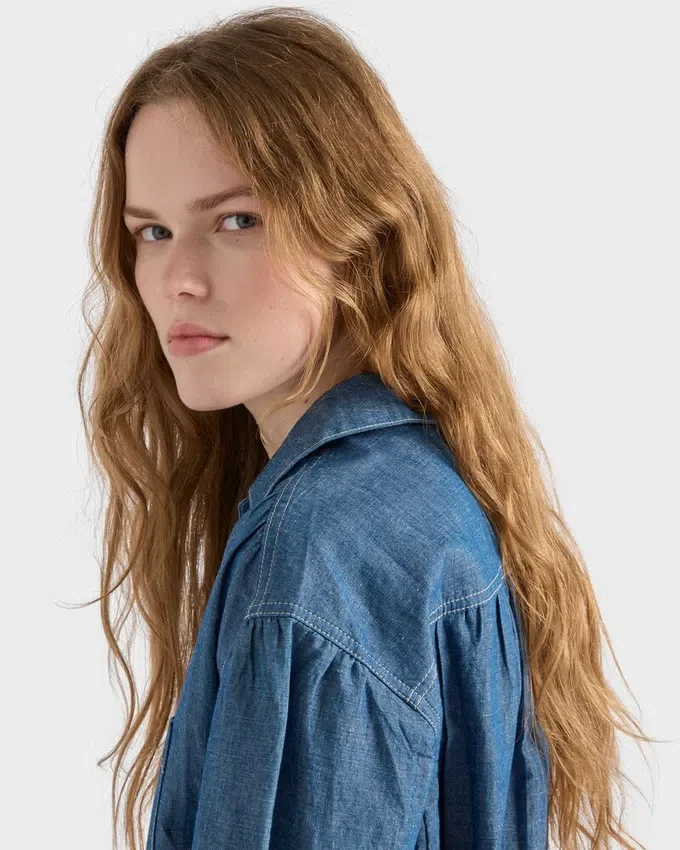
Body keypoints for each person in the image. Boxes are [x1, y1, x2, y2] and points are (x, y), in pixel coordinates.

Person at [77, 7, 659, 850]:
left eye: (237, 220)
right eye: (153, 233)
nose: (178, 279)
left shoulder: (319, 548)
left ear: (357, 235)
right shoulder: (419, 486)